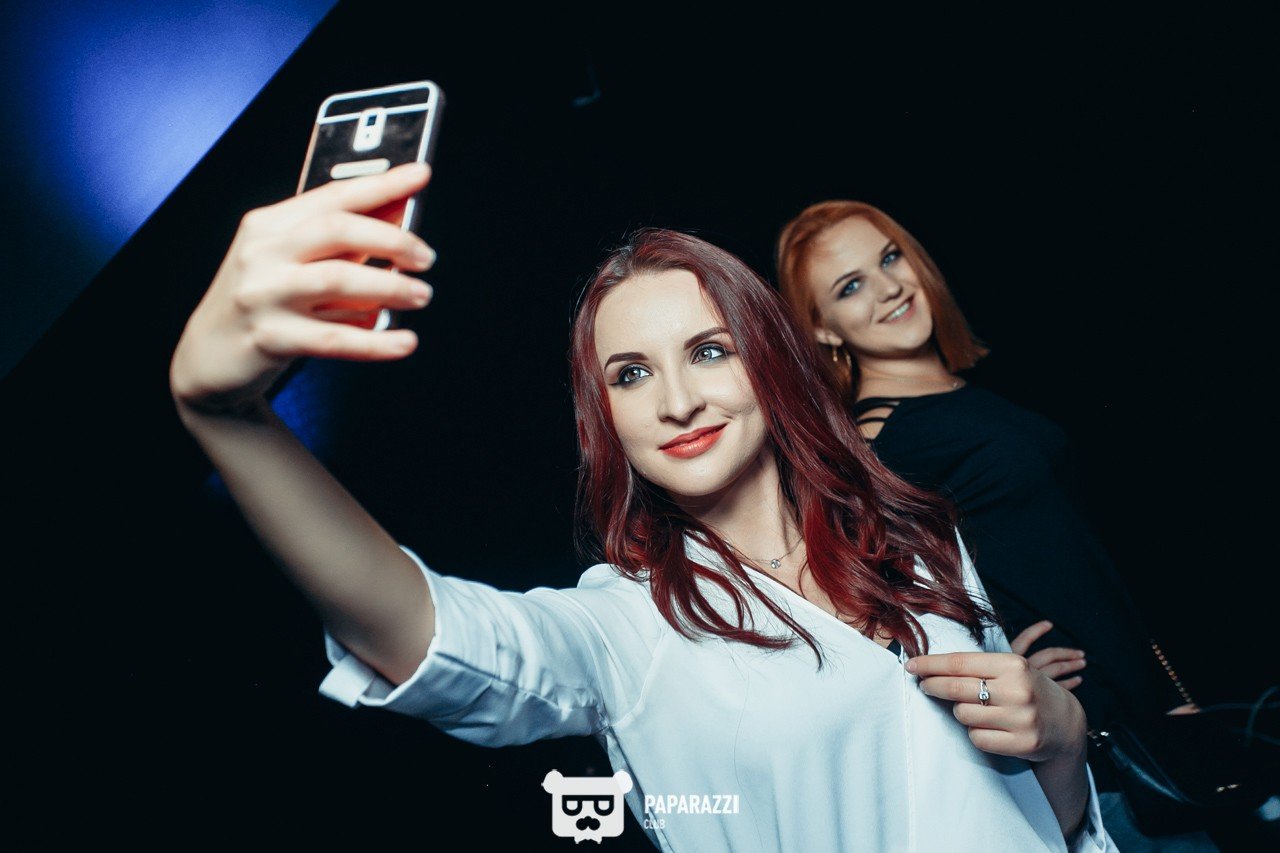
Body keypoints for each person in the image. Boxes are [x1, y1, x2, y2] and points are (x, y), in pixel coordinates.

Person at [170, 164, 1112, 851]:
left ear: (770, 361)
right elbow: (432, 632)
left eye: (708, 351)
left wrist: (1064, 741)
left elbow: (1037, 822)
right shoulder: (632, 626)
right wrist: (229, 419)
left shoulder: (912, 532)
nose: (677, 400)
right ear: (607, 420)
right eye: (631, 374)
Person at [776, 199, 1214, 848]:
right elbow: (872, 619)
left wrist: (1168, 692)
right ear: (823, 329)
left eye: (890, 258)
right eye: (851, 286)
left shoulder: (965, 395)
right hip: (1099, 761)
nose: (889, 288)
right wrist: (995, 666)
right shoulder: (881, 446)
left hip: (1151, 723)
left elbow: (1078, 561)